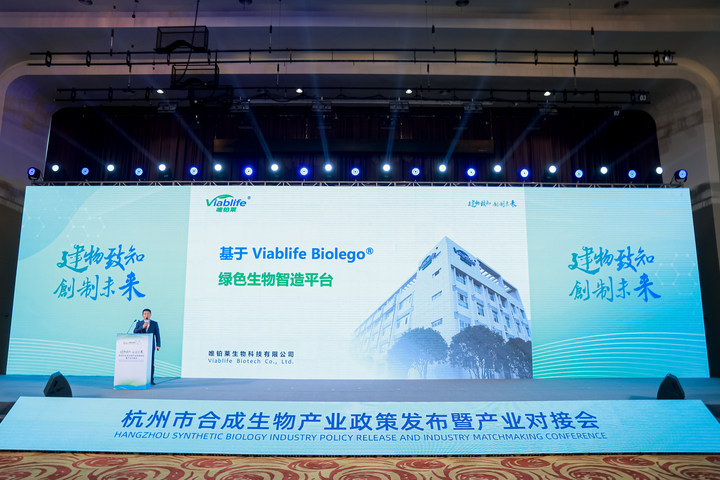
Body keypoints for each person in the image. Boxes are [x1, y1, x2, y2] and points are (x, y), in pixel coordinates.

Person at [134, 308, 161, 385]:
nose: (146, 315)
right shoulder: (139, 323)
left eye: (148, 314)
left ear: (150, 315)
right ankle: (140, 378)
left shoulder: (154, 323)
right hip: (141, 346)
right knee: (141, 362)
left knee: (151, 362)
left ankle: (151, 380)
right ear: (142, 315)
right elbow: (135, 331)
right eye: (145, 314)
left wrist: (158, 345)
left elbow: (157, 334)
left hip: (150, 346)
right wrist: (143, 326)